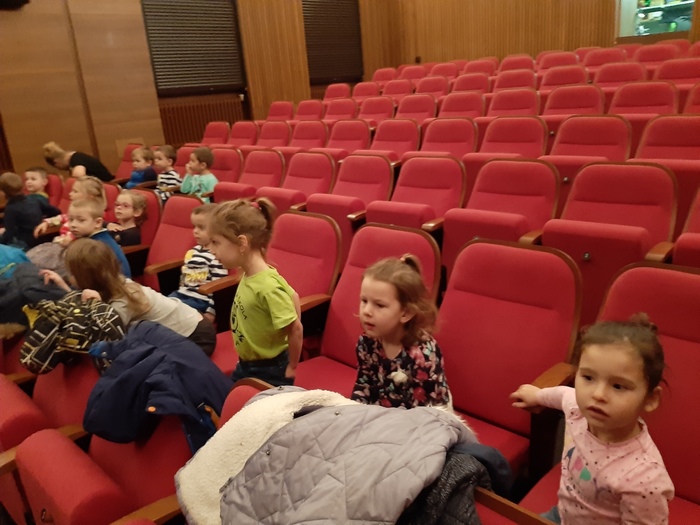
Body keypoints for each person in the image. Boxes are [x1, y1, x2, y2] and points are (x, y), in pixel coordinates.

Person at [510, 314, 674, 525]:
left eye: (618, 386)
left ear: (650, 399)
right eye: (588, 378)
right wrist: (538, 395)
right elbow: (563, 395)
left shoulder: (643, 478)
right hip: (562, 514)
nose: (598, 395)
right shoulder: (579, 410)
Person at [41, 238, 216, 356]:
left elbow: (105, 333)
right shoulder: (112, 282)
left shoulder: (123, 300)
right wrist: (64, 287)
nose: (68, 277)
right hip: (188, 326)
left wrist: (97, 306)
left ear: (87, 278)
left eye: (72, 273)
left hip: (196, 337)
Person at [207, 198, 302, 386]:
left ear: (242, 243)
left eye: (215, 242)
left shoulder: (268, 286)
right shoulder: (248, 274)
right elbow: (294, 296)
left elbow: (296, 329)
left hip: (270, 369)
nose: (211, 250)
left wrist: (292, 366)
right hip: (247, 363)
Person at [351, 255, 451, 409]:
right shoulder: (366, 342)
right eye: (364, 301)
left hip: (426, 417)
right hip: (381, 412)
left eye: (379, 305)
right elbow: (363, 385)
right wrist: (354, 413)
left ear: (406, 313)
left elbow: (423, 412)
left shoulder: (422, 355)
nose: (366, 311)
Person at [169, 203, 226, 322]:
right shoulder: (193, 251)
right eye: (194, 226)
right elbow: (184, 279)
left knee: (171, 318)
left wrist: (211, 312)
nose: (195, 231)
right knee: (159, 309)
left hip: (200, 301)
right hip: (181, 295)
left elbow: (219, 289)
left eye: (201, 227)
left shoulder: (216, 256)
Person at [34, 176, 106, 247]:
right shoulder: (74, 212)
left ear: (90, 196)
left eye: (75, 191)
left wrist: (72, 236)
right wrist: (47, 223)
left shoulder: (95, 214)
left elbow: (89, 232)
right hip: (60, 243)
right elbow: (62, 218)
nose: (70, 194)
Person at [67, 199, 131, 278]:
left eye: (81, 220)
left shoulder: (96, 246)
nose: (73, 225)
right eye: (71, 219)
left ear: (98, 222)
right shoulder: (97, 238)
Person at [0, 172, 60, 249]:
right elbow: (56, 212)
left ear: (3, 192)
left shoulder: (10, 208)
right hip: (43, 238)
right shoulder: (34, 199)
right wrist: (45, 222)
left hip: (26, 243)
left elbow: (9, 235)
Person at [42, 141, 113, 182]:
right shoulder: (76, 156)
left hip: (106, 186)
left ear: (57, 163)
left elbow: (79, 179)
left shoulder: (75, 160)